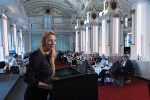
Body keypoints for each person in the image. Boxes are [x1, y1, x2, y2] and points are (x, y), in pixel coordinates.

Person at [24, 31, 56, 100]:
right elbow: (28, 78)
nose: (53, 43)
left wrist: (52, 79)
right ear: (43, 41)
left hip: (43, 95)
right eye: (50, 40)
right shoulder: (38, 55)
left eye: (54, 40)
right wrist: (50, 87)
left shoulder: (49, 56)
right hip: (33, 96)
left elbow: (42, 74)